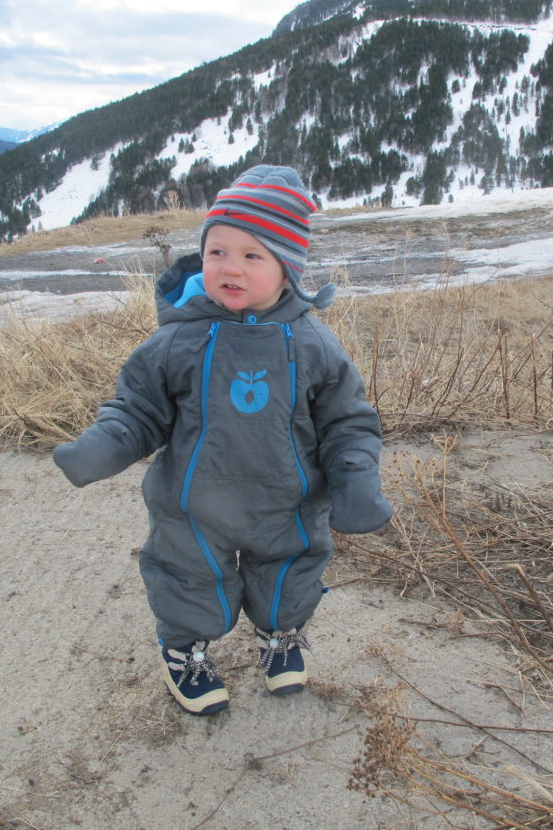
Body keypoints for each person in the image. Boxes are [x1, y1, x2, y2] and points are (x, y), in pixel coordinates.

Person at [52, 165, 392, 716]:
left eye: (252, 255)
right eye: (217, 252)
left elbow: (347, 421)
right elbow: (139, 407)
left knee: (288, 575)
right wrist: (107, 442)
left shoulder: (313, 344)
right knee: (189, 578)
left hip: (288, 499)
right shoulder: (178, 338)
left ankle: (280, 636)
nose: (230, 267)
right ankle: (184, 649)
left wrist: (355, 476)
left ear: (287, 268)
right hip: (194, 502)